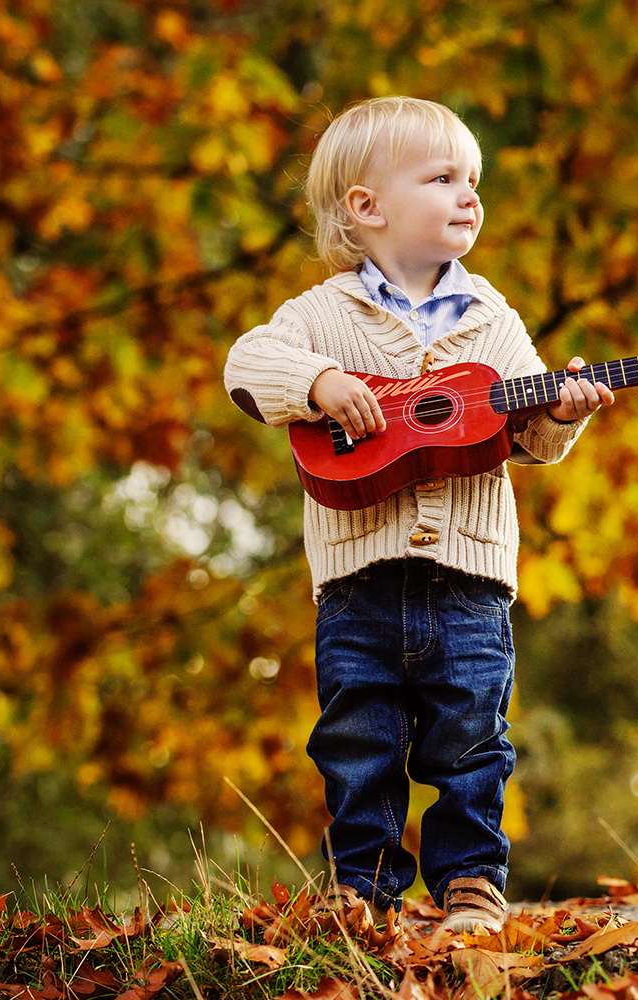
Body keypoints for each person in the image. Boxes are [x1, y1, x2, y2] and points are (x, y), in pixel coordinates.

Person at [223, 97, 613, 934]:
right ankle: (361, 892)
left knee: (471, 734)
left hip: (470, 579)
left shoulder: (492, 320)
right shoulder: (322, 315)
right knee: (358, 738)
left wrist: (567, 411)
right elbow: (247, 362)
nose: (470, 194)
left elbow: (532, 442)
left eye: (475, 180)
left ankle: (472, 884)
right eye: (443, 178)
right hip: (357, 579)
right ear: (366, 207)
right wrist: (323, 384)